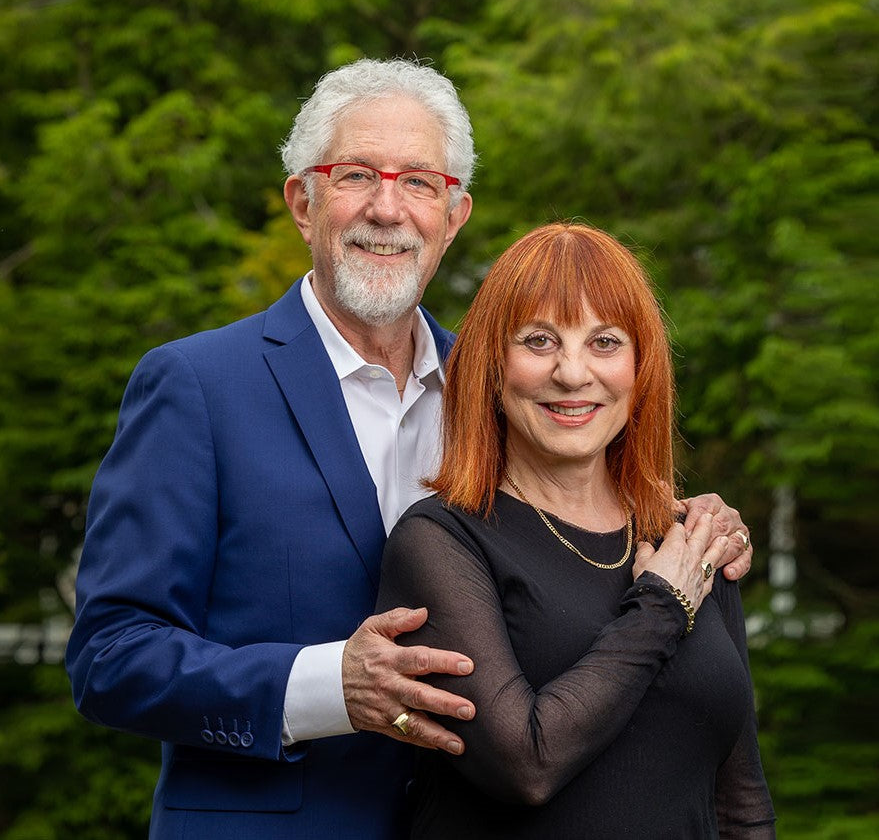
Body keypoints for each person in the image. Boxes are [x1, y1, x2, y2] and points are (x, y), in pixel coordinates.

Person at [65, 59, 755, 840]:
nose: (388, 209)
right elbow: (110, 657)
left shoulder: (503, 391)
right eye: (356, 174)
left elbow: (589, 527)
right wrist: (327, 686)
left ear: (454, 214)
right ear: (304, 200)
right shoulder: (197, 385)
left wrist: (693, 521)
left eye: (420, 182)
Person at [377, 222, 775, 839]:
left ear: (641, 368)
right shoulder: (441, 542)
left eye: (605, 342)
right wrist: (661, 609)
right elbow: (524, 764)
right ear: (492, 367)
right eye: (539, 341)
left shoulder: (687, 537)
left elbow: (742, 804)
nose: (572, 373)